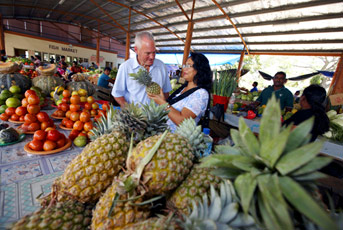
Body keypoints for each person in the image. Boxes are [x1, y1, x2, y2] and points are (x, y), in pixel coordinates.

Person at [148, 52, 212, 132]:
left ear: (199, 69)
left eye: (189, 65)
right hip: (163, 135)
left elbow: (182, 121)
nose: (184, 68)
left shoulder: (201, 94)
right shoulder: (183, 88)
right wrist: (162, 99)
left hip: (177, 140)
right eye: (185, 65)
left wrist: (162, 103)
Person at [112, 31, 172, 107]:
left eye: (154, 52)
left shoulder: (161, 66)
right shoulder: (126, 67)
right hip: (135, 116)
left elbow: (166, 92)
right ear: (136, 50)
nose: (152, 57)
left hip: (156, 116)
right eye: (148, 53)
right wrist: (129, 109)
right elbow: (117, 94)